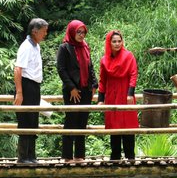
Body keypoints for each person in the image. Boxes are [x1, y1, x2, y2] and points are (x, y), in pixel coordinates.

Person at [56, 20, 98, 163]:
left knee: (82, 122)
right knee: (71, 121)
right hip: (72, 91)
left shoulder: (85, 46)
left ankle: (79, 156)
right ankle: (67, 156)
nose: (81, 35)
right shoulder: (65, 47)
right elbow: (61, 70)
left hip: (86, 89)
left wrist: (94, 85)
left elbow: (90, 67)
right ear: (72, 32)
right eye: (78, 32)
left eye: (83, 32)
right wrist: (72, 88)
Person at [97, 30, 139, 160]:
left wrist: (130, 94)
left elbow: (133, 74)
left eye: (119, 41)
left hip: (125, 93)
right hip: (111, 95)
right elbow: (102, 80)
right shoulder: (104, 60)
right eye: (114, 41)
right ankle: (115, 156)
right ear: (109, 43)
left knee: (128, 125)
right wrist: (100, 99)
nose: (117, 44)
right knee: (114, 124)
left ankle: (130, 156)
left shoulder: (129, 56)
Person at [14, 18, 48, 163]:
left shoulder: (36, 46)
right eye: (44, 31)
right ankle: (23, 157)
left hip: (34, 86)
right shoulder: (26, 46)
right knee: (25, 121)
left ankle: (31, 155)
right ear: (35, 31)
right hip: (26, 86)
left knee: (33, 120)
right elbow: (17, 69)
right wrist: (19, 92)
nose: (45, 34)